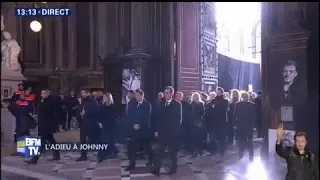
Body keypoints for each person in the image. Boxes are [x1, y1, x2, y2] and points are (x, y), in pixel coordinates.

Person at [152, 86, 182, 176]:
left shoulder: (177, 104)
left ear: (172, 93)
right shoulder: (161, 103)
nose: (165, 94)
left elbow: (178, 120)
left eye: (167, 92)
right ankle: (156, 169)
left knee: (173, 153)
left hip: (172, 133)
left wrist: (175, 132)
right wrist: (156, 130)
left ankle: (173, 169)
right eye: (165, 92)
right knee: (159, 151)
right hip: (162, 132)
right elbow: (158, 118)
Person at [25, 90, 60, 164]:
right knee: (51, 140)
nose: (41, 95)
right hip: (43, 124)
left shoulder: (50, 102)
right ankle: (57, 154)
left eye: (43, 93)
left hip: (47, 125)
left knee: (41, 142)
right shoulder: (44, 101)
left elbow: (49, 112)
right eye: (41, 93)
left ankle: (35, 159)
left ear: (47, 94)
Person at [126, 89, 153, 171]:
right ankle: (131, 165)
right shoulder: (132, 103)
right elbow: (130, 116)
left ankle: (151, 158)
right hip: (134, 129)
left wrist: (139, 125)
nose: (136, 97)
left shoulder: (147, 104)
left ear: (142, 96)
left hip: (144, 130)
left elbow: (146, 117)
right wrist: (133, 124)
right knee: (132, 147)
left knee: (146, 147)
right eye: (136, 95)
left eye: (138, 95)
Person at [76, 89, 100, 161]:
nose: (82, 94)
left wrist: (86, 112)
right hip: (83, 123)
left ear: (88, 93)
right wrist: (79, 115)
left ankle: (102, 152)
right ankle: (83, 155)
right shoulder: (83, 101)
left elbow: (95, 111)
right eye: (81, 93)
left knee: (94, 139)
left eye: (83, 93)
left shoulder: (93, 101)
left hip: (90, 124)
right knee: (82, 140)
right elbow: (80, 109)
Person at [206, 87, 229, 156]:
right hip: (213, 121)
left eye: (219, 92)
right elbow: (207, 106)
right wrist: (212, 105)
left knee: (222, 137)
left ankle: (222, 151)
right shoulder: (213, 100)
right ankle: (213, 151)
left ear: (222, 93)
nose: (217, 93)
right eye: (217, 92)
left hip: (221, 122)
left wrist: (214, 107)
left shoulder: (225, 101)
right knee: (212, 137)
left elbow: (223, 109)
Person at [233, 91, 255, 161]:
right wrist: (254, 125)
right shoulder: (252, 105)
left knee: (241, 141)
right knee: (249, 141)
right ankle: (250, 156)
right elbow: (254, 116)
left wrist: (235, 124)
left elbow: (235, 115)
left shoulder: (238, 104)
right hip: (248, 125)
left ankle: (241, 154)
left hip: (240, 125)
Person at [98, 92, 118, 162]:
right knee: (104, 140)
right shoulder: (103, 106)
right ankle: (112, 151)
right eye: (103, 97)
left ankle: (109, 153)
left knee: (109, 140)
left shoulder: (112, 107)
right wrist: (100, 122)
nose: (103, 99)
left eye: (105, 97)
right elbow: (100, 115)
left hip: (110, 126)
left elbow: (113, 117)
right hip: (104, 126)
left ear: (108, 98)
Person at [189, 92, 205, 157]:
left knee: (199, 137)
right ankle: (194, 151)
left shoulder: (201, 104)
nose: (195, 97)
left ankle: (200, 150)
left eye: (196, 96)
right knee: (193, 137)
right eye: (194, 96)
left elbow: (202, 113)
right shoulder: (190, 104)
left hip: (198, 122)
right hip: (192, 122)